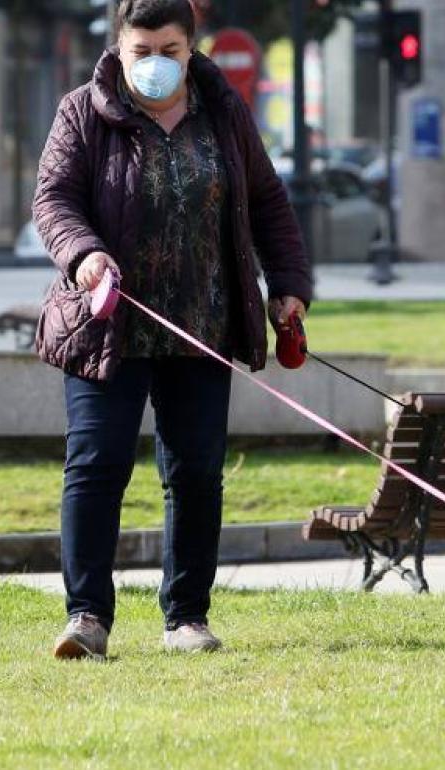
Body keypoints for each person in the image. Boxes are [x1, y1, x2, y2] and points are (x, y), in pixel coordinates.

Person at [32, 0, 312, 660]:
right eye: (141, 51)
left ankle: (187, 617)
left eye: (169, 51)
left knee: (196, 473)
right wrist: (83, 254)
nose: (154, 63)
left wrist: (289, 286)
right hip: (106, 325)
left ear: (192, 49)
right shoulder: (81, 112)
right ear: (118, 48)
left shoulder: (225, 112)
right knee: (96, 465)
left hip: (201, 326)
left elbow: (268, 202)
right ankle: (86, 618)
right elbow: (53, 199)